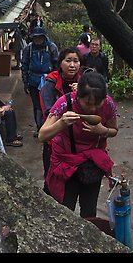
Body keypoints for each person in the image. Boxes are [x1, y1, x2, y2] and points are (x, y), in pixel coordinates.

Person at [38, 70, 118, 218]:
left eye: (97, 103)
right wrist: (62, 123)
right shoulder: (65, 103)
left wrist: (102, 130)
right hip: (67, 164)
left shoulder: (108, 104)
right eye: (88, 103)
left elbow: (114, 130)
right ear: (78, 96)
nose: (93, 108)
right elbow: (42, 135)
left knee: (89, 211)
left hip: (93, 165)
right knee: (65, 211)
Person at [39, 47, 83, 193]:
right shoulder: (50, 85)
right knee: (52, 178)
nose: (72, 65)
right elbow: (49, 112)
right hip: (55, 140)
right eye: (68, 60)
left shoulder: (84, 83)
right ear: (60, 63)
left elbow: (93, 107)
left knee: (73, 180)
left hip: (77, 141)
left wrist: (82, 92)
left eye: (76, 61)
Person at [21, 26, 59, 137]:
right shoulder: (29, 48)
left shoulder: (51, 47)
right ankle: (39, 127)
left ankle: (50, 127)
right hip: (34, 80)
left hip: (49, 80)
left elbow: (56, 65)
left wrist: (56, 80)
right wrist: (25, 82)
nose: (37, 40)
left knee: (49, 104)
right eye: (35, 38)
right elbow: (24, 65)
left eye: (39, 38)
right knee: (37, 106)